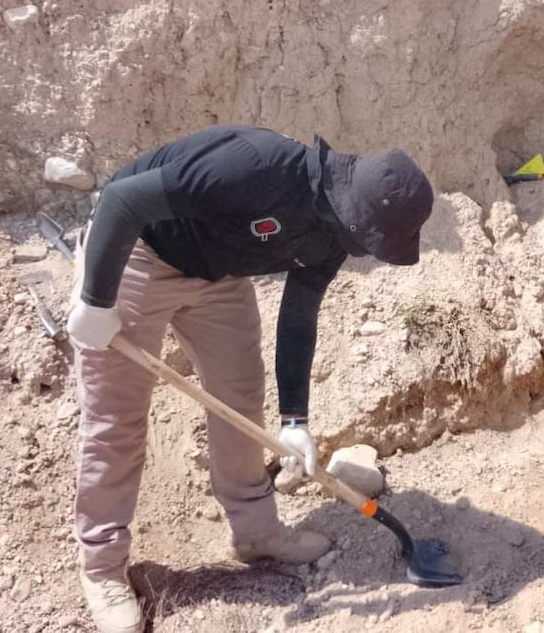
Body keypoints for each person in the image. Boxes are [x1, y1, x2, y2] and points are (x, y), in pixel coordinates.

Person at [64, 124, 434, 633]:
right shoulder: (254, 166)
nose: (366, 249)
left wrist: (295, 419)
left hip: (216, 275)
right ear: (353, 208)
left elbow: (300, 312)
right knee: (117, 420)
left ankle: (255, 532)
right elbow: (123, 200)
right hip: (139, 257)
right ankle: (103, 568)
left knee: (240, 399)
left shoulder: (335, 231)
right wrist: (95, 300)